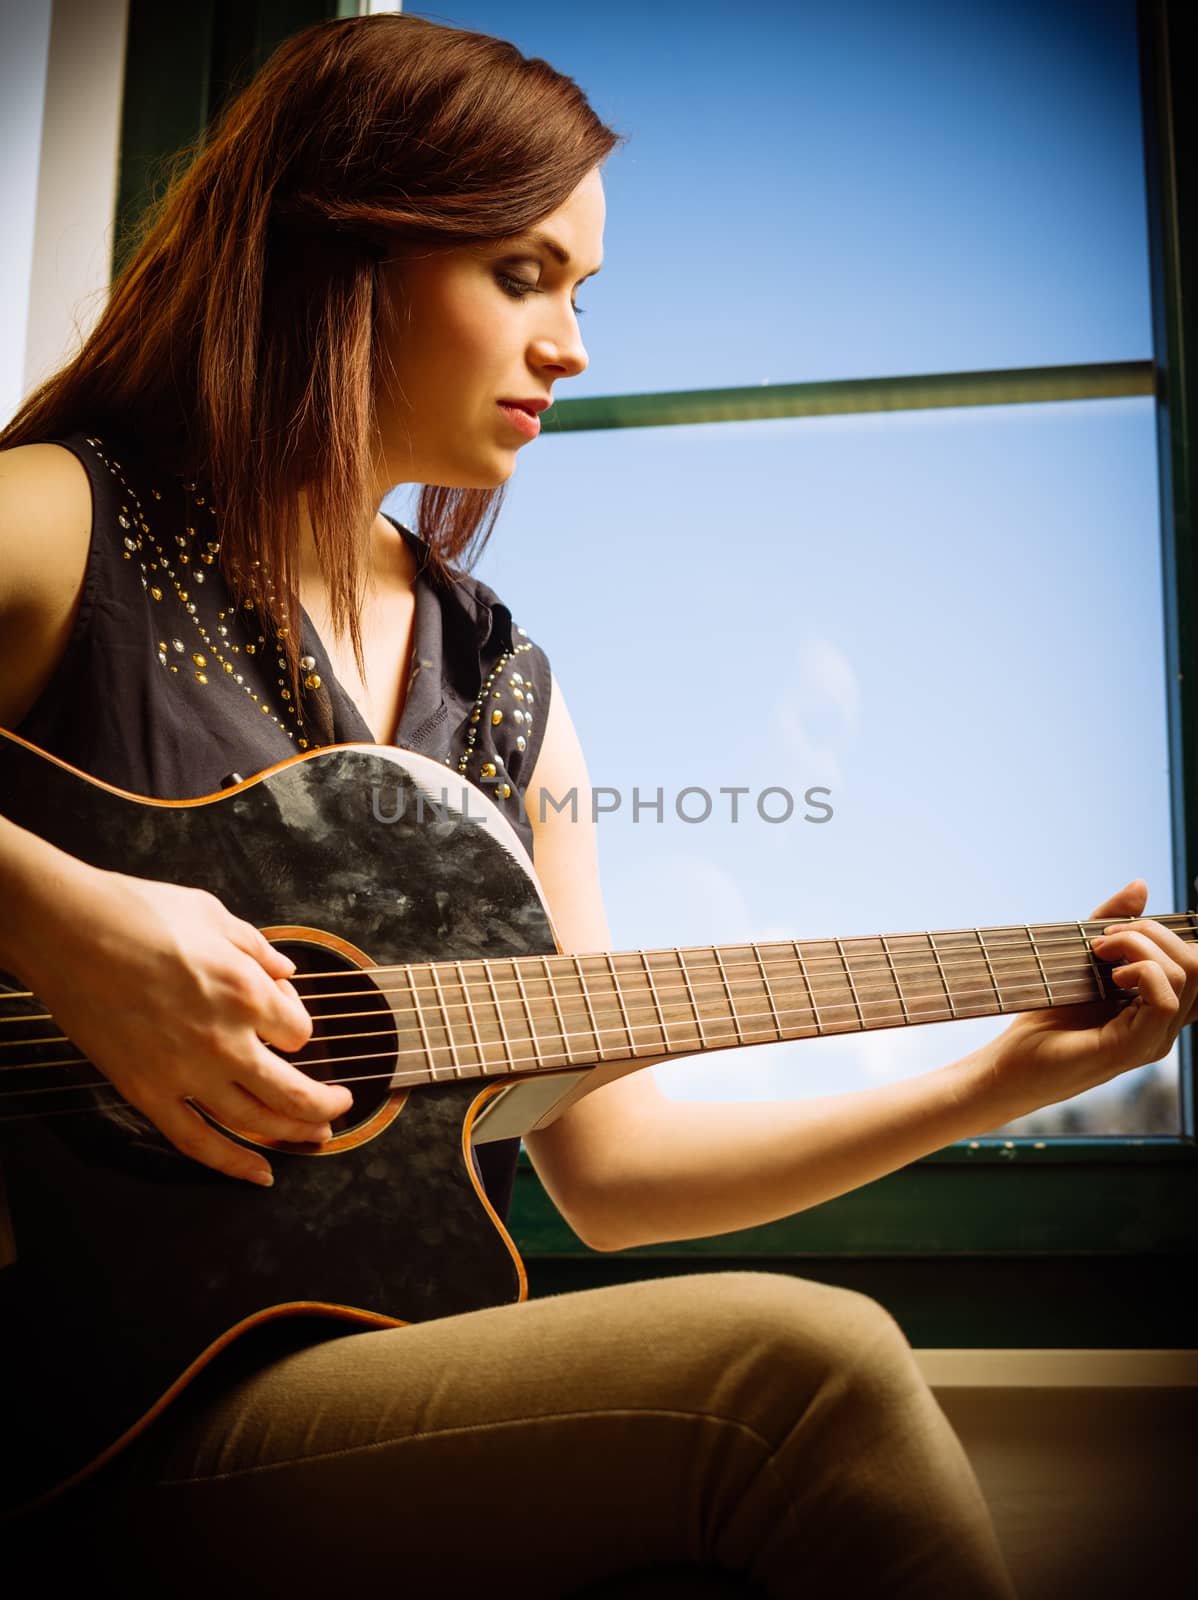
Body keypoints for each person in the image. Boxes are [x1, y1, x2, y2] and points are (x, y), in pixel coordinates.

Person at [0, 13, 1191, 1597]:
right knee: (801, 1370)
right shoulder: (65, 521)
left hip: (305, 1397)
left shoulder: (507, 696)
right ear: (338, 254)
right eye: (521, 275)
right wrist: (62, 918)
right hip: (50, 1405)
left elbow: (613, 1169)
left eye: (582, 291)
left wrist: (992, 1080)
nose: (571, 345)